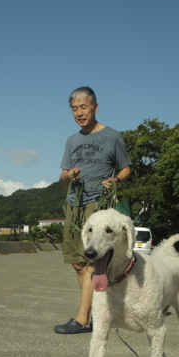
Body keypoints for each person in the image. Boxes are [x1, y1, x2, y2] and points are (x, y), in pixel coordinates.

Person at [54, 86, 132, 335]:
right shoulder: (71, 140)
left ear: (95, 108)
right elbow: (62, 177)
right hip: (74, 205)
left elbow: (126, 168)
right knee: (78, 265)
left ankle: (83, 319)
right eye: (74, 109)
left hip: (98, 205)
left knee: (92, 263)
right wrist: (70, 175)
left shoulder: (112, 136)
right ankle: (95, 312)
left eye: (83, 107)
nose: (79, 113)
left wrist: (116, 180)